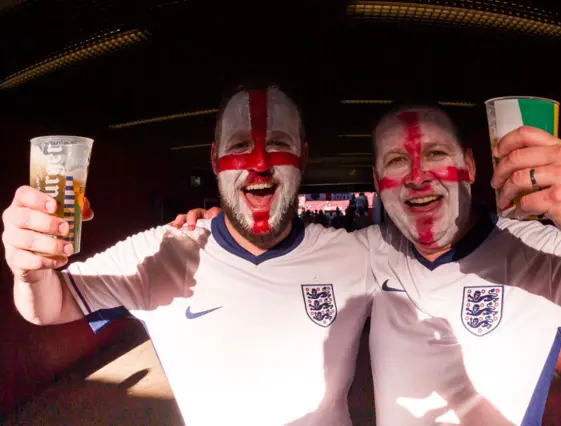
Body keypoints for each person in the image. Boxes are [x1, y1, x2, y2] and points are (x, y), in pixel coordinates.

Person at [174, 105, 561, 426]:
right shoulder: (368, 251)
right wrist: (220, 226)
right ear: (379, 182)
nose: (417, 175)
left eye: (436, 154)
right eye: (398, 160)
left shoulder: (538, 254)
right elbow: (283, 254)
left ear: (472, 165)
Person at [2, 84, 375, 425]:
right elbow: (48, 308)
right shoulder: (163, 252)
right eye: (240, 145)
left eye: (278, 142)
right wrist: (30, 272)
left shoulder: (358, 255)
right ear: (214, 160)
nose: (259, 162)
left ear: (303, 157)